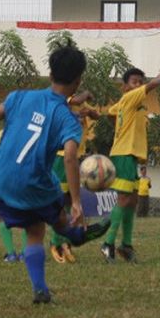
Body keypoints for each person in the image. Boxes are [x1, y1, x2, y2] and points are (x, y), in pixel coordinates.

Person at [0, 44, 111, 303]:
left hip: (1, 181)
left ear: (50, 74)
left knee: (34, 225)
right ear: (79, 80)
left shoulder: (19, 97)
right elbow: (71, 156)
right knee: (45, 225)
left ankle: (42, 286)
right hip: (34, 182)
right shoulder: (67, 118)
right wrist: (78, 203)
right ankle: (75, 236)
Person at [101, 67, 160, 263]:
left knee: (132, 201)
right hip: (123, 153)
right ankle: (108, 243)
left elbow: (111, 113)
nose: (138, 84)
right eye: (134, 81)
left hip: (131, 154)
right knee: (124, 199)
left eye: (140, 81)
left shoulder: (128, 103)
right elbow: (152, 85)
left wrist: (121, 125)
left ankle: (126, 245)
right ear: (125, 86)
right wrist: (159, 77)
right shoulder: (130, 98)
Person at [49, 90, 100, 264]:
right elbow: (75, 101)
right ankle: (55, 243)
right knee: (61, 202)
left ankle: (66, 243)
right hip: (62, 156)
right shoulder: (64, 101)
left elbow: (97, 115)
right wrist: (85, 97)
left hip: (75, 158)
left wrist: (90, 112)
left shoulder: (81, 105)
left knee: (73, 202)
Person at [0, 129, 28, 263]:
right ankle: (24, 254)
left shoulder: (2, 134)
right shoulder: (31, 131)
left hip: (5, 177)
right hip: (25, 177)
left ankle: (11, 254)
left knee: (4, 215)